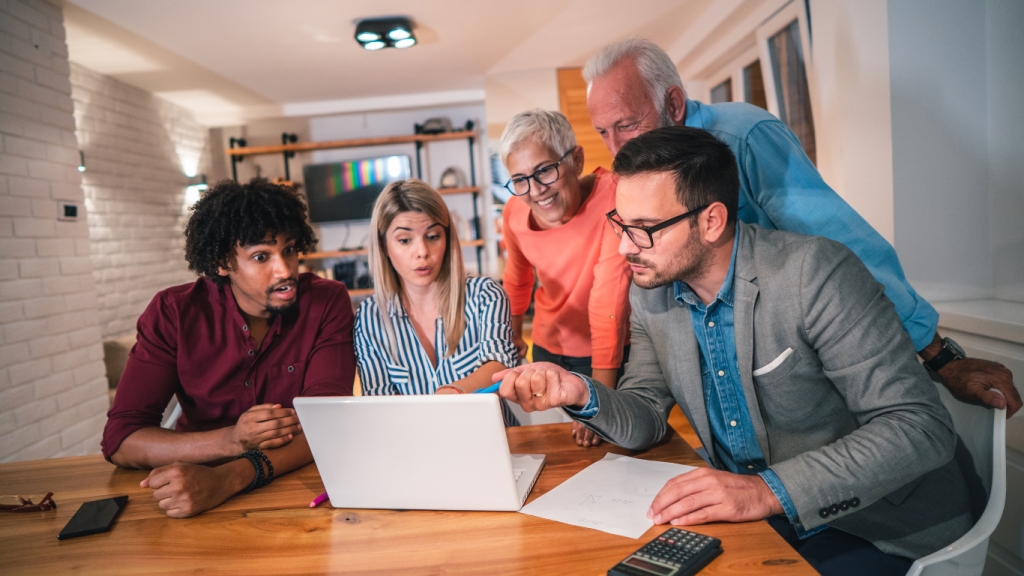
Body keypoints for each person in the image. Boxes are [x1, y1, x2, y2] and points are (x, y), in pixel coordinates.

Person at [497, 127, 973, 576]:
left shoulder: (815, 274)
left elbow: (919, 427)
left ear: (711, 221)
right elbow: (644, 414)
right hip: (762, 521)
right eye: (620, 223)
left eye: (643, 228)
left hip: (876, 525)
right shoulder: (651, 292)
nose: (624, 246)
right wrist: (581, 392)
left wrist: (766, 491)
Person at [583, 38, 1020, 417]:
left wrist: (940, 357)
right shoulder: (643, 173)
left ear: (673, 105)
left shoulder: (743, 138)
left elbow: (845, 247)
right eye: (603, 131)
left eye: (626, 124)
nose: (617, 147)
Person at [101, 178, 356, 518]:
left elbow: (328, 422)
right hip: (189, 489)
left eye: (290, 250)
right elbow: (122, 439)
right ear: (223, 262)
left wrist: (227, 479)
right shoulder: (174, 312)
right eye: (261, 256)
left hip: (294, 489)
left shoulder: (326, 301)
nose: (285, 270)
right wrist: (232, 440)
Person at [499, 110, 631, 446]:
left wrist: (600, 401)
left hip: (609, 352)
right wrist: (514, 339)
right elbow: (517, 279)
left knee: (611, 440)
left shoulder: (615, 197)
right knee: (557, 446)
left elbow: (608, 301)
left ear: (576, 159)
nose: (535, 191)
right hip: (549, 347)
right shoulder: (514, 212)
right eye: (519, 179)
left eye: (544, 170)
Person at [354, 179, 520, 426]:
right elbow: (380, 408)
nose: (422, 251)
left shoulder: (486, 295)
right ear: (383, 246)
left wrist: (447, 397)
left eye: (432, 236)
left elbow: (499, 370)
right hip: (416, 453)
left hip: (496, 444)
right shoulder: (369, 318)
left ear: (448, 239)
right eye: (404, 240)